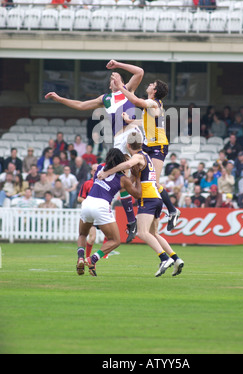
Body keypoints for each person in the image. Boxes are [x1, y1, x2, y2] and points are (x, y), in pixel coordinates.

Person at [45, 59, 144, 239]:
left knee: (137, 166)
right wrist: (59, 99)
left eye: (115, 78)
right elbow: (81, 105)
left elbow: (139, 72)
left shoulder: (128, 90)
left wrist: (118, 66)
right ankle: (131, 221)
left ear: (121, 81)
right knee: (121, 178)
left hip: (131, 132)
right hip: (118, 140)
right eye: (111, 79)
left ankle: (148, 203)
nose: (112, 80)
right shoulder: (105, 99)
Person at [97, 132, 184, 277]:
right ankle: (176, 258)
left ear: (128, 145)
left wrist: (107, 172)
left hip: (148, 197)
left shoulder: (138, 156)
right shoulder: (147, 157)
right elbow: (134, 177)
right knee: (153, 233)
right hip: (156, 197)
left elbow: (128, 164)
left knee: (142, 232)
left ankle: (164, 259)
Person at [109, 72, 181, 232]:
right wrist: (130, 121)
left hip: (158, 146)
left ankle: (172, 210)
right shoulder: (153, 105)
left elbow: (135, 100)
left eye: (152, 84)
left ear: (154, 91)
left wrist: (121, 86)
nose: (149, 85)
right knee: (137, 180)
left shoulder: (154, 103)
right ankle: (143, 216)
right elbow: (146, 121)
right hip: (149, 145)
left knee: (153, 183)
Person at [77, 148, 142, 277]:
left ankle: (80, 258)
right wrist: (137, 177)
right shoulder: (123, 179)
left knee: (82, 234)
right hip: (101, 205)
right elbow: (137, 194)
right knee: (115, 240)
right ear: (121, 162)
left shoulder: (100, 168)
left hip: (87, 202)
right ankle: (92, 259)